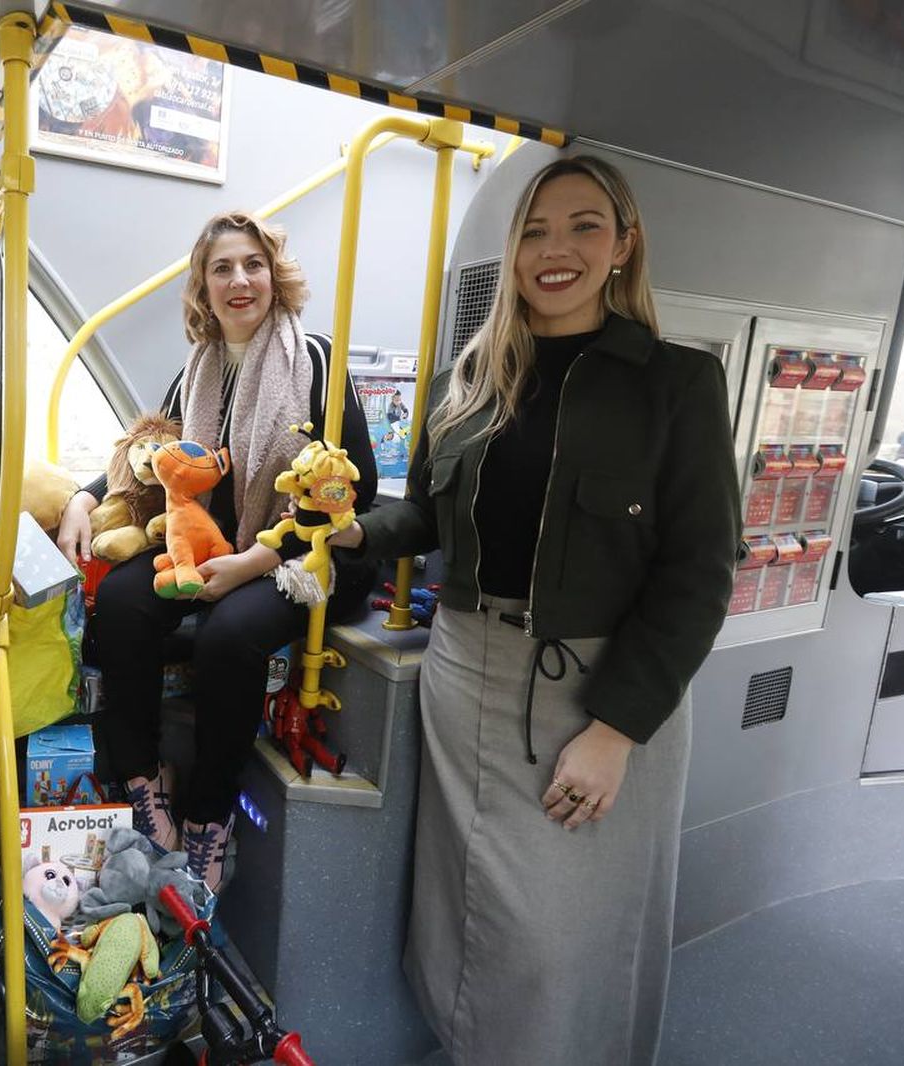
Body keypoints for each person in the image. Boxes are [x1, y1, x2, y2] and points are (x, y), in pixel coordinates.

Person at [329, 156, 740, 1065]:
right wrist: (351, 531)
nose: (556, 250)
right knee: (463, 907)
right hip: (465, 670)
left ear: (624, 245)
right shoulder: (465, 381)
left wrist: (616, 730)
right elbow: (428, 517)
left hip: (597, 690)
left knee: (564, 937)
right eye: (534, 230)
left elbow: (702, 571)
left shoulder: (677, 385)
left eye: (584, 226)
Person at [56, 211, 377, 891]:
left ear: (274, 275)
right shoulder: (198, 369)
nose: (240, 280)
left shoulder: (317, 359)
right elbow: (152, 461)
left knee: (228, 636)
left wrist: (249, 567)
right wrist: (86, 499)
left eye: (253, 264)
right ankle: (144, 779)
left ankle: (209, 815)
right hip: (213, 544)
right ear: (202, 287)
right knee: (119, 600)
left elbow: (354, 490)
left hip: (302, 557)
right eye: (222, 268)